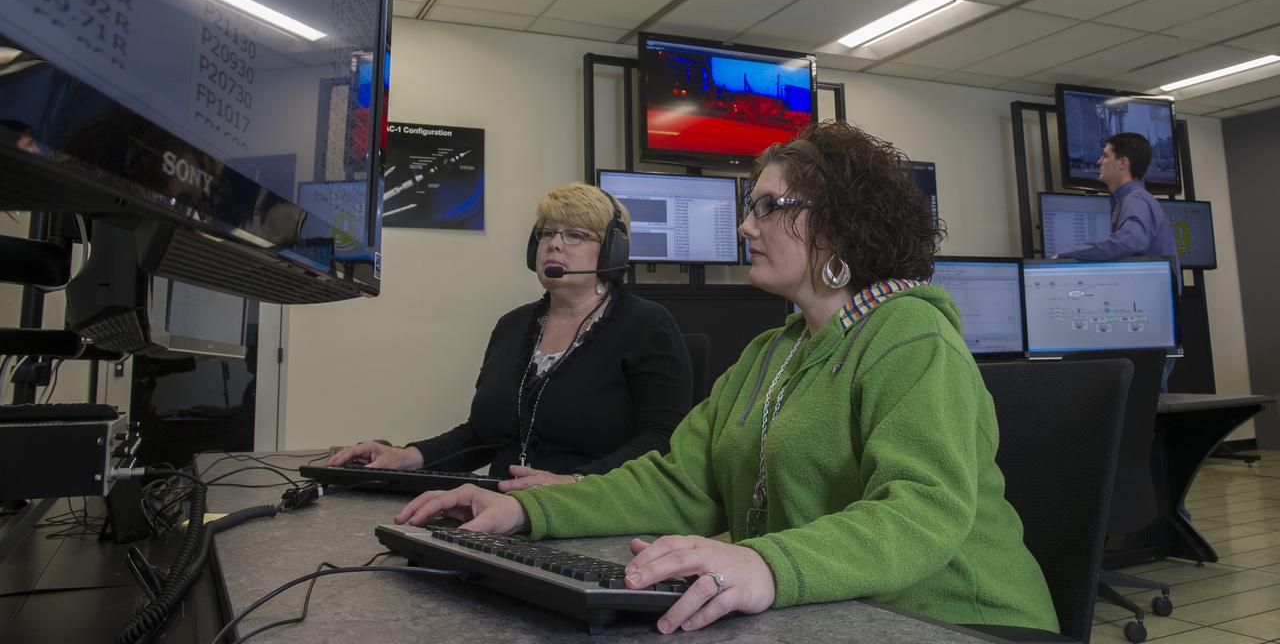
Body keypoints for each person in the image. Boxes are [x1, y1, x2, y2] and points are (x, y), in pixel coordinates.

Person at [396, 122, 1059, 636]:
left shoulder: (911, 335)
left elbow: (924, 511)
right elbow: (680, 481)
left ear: (837, 222)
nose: (746, 225)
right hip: (835, 611)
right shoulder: (771, 353)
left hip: (959, 622)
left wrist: (767, 563)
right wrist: (526, 508)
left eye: (768, 206)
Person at [327, 183, 692, 487]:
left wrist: (577, 482)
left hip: (591, 511)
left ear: (613, 250)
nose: (554, 243)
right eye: (547, 233)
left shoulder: (647, 325)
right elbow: (482, 435)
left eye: (575, 235)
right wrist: (408, 456)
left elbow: (660, 440)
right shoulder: (513, 326)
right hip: (501, 508)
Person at [1055, 132, 1181, 389]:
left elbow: (1130, 241)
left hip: (1151, 325)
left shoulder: (1134, 200)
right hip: (1153, 322)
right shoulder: (1132, 200)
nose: (1099, 161)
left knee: (1144, 410)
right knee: (1146, 409)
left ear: (1123, 163)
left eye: (1105, 156)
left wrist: (1072, 254)